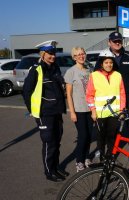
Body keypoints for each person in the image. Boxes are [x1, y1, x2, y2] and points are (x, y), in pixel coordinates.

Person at [23, 40, 68, 182]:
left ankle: (55, 168)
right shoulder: (36, 69)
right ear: (42, 54)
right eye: (50, 53)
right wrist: (32, 110)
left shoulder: (55, 68)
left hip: (57, 111)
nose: (53, 56)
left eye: (54, 53)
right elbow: (26, 91)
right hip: (44, 113)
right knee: (49, 142)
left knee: (57, 141)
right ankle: (49, 172)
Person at [95, 31, 129, 153]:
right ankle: (107, 151)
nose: (117, 43)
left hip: (128, 96)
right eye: (114, 41)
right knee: (110, 128)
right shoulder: (104, 57)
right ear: (109, 42)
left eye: (119, 41)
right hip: (110, 100)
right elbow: (96, 75)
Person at [86, 49, 126, 159]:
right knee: (101, 136)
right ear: (101, 63)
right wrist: (93, 111)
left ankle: (110, 156)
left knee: (112, 136)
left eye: (111, 62)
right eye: (106, 62)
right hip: (100, 113)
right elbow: (89, 95)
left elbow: (122, 94)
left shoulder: (118, 75)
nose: (109, 65)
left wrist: (122, 110)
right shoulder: (94, 76)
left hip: (114, 113)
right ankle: (101, 155)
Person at [64, 47, 94, 172]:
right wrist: (72, 112)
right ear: (74, 57)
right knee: (82, 136)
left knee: (89, 136)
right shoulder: (71, 72)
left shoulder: (89, 70)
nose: (81, 56)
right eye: (78, 55)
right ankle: (79, 161)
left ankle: (87, 157)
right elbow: (69, 94)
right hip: (79, 110)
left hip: (90, 108)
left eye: (82, 54)